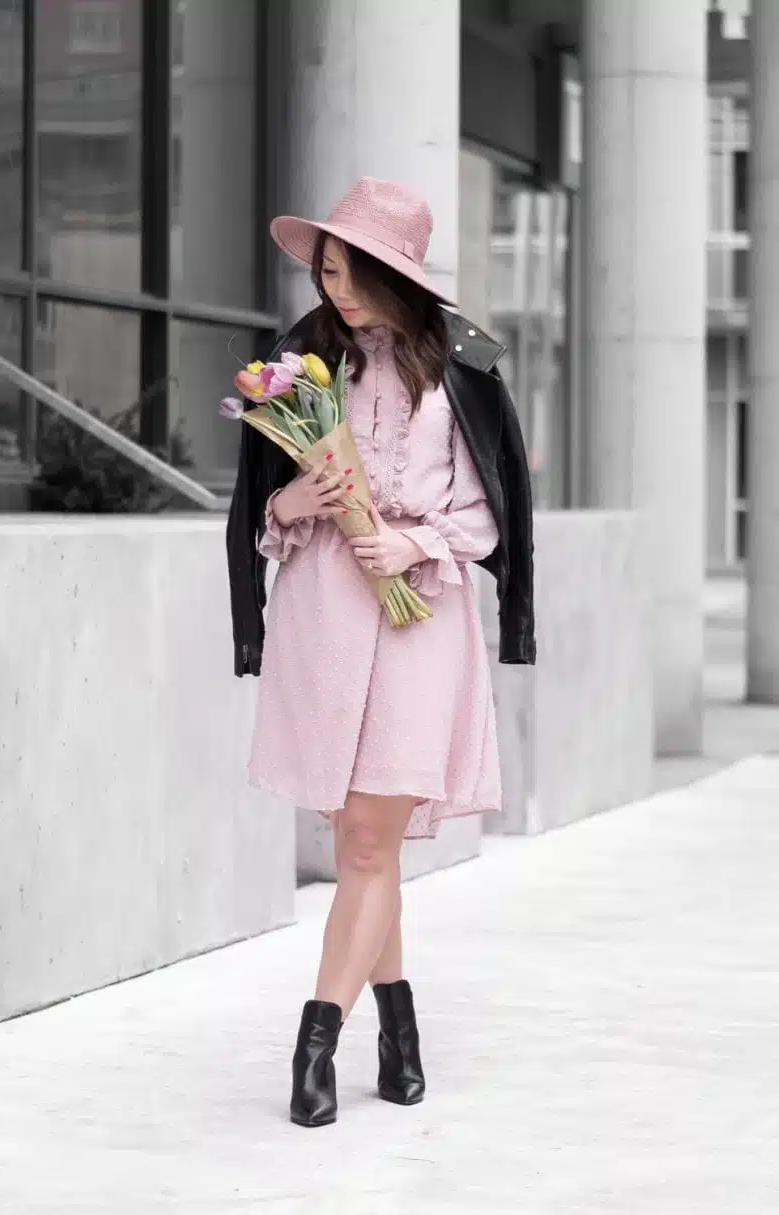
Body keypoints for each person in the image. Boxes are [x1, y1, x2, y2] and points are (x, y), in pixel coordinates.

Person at [226, 177, 535, 1128]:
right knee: (363, 843)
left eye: (355, 270)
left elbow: (493, 513)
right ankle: (400, 1031)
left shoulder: (465, 370)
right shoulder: (301, 359)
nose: (339, 288)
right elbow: (259, 508)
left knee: (368, 838)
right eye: (327, 269)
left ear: (398, 273)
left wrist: (415, 543)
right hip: (323, 611)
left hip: (418, 619)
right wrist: (299, 501)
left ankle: (316, 1037)